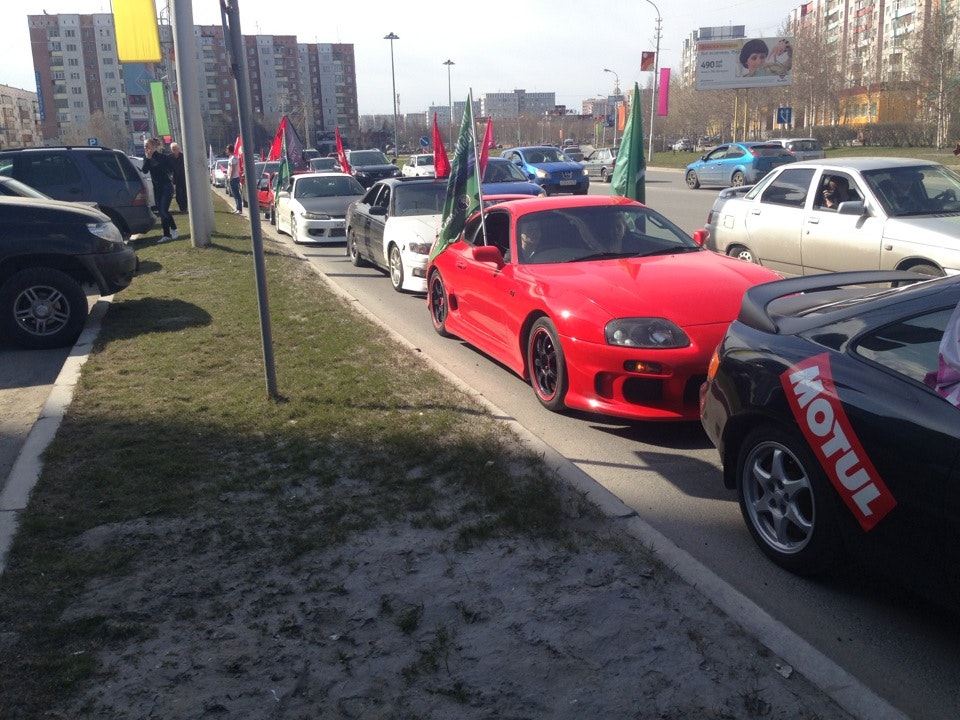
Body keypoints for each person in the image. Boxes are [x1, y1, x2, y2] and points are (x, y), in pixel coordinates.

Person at [140, 137, 178, 242]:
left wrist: (173, 181)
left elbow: (171, 169)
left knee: (164, 210)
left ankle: (174, 229)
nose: (146, 148)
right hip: (157, 188)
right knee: (161, 211)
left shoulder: (162, 157)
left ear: (154, 146)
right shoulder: (146, 158)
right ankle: (166, 235)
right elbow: (144, 170)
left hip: (166, 186)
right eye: (144, 146)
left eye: (147, 146)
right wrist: (148, 158)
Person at [170, 142, 187, 213]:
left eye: (175, 149)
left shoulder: (183, 156)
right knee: (178, 195)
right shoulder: (170, 157)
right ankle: (181, 207)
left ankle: (185, 208)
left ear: (178, 149)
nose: (174, 150)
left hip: (184, 177)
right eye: (173, 149)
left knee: (184, 193)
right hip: (175, 178)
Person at [226, 143, 243, 214]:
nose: (226, 151)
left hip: (234, 178)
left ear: (229, 150)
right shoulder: (231, 158)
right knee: (234, 194)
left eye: (227, 150)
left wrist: (231, 177)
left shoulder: (233, 158)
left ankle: (239, 209)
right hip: (233, 177)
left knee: (236, 194)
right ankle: (237, 208)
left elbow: (233, 168)